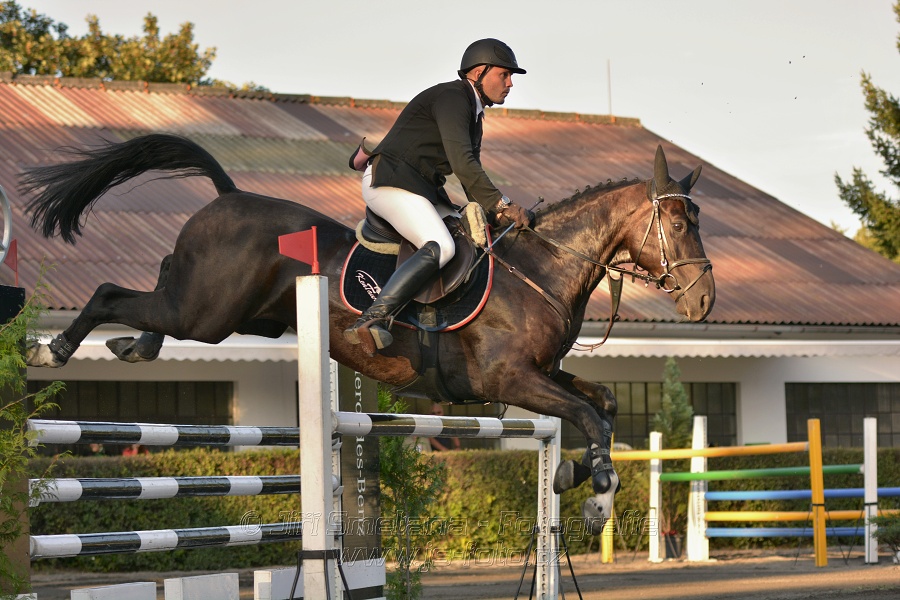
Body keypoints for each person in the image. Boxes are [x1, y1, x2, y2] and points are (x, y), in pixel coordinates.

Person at [344, 38, 535, 351]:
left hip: (420, 188)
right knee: (441, 246)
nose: (511, 83)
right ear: (478, 72)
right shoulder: (453, 98)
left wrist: (496, 214)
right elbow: (464, 163)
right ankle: (372, 318)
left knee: (473, 234)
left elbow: (471, 174)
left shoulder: (473, 112)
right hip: (391, 181)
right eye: (504, 75)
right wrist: (503, 203)